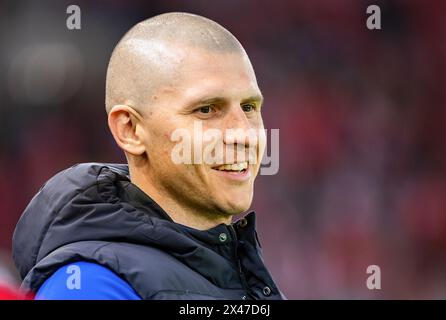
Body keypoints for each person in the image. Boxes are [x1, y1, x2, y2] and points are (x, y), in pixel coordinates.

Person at [12, 12, 284, 300]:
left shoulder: (244, 272)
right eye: (206, 109)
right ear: (130, 129)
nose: (242, 134)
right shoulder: (91, 288)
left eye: (249, 107)